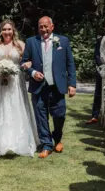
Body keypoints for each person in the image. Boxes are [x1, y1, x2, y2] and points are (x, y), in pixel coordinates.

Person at [0, 19, 40, 157]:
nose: (7, 32)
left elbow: (29, 60)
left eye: (9, 29)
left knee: (15, 106)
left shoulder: (20, 44)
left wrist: (22, 67)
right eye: (4, 29)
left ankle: (18, 140)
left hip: (16, 81)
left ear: (13, 30)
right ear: (1, 31)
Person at [21, 16, 76, 158]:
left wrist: (72, 84)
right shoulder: (31, 42)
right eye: (40, 27)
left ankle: (57, 138)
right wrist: (32, 72)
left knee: (59, 115)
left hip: (57, 86)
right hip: (38, 87)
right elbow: (24, 62)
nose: (43, 29)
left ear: (52, 26)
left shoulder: (63, 41)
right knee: (41, 116)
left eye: (46, 26)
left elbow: (70, 64)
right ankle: (46, 144)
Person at [86, 19, 105, 124]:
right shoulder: (101, 39)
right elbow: (97, 55)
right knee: (98, 93)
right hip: (102, 68)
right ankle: (95, 115)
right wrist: (102, 66)